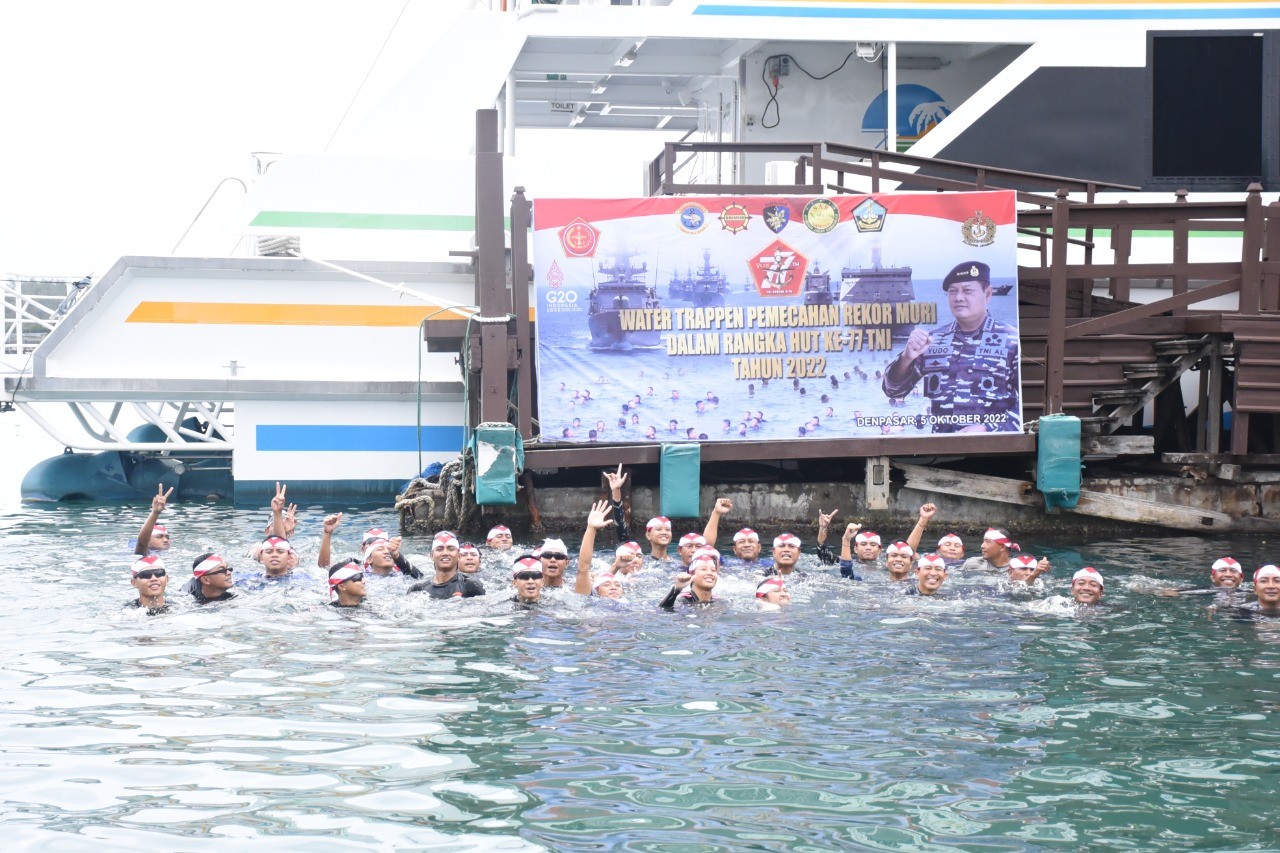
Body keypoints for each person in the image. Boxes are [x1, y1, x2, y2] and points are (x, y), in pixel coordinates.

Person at [882, 260, 1020, 433]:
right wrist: (906, 358)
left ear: (988, 294)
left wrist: (989, 429)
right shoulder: (933, 340)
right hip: (941, 451)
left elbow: (1026, 403)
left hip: (994, 452)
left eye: (967, 291)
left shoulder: (1012, 340)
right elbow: (893, 391)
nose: (958, 297)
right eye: (952, 292)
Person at [406, 532, 485, 599]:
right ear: (431, 556)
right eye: (439, 549)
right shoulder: (418, 589)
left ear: (459, 556)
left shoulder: (471, 585)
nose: (445, 553)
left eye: (451, 549)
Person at [961, 528, 1051, 578]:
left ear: (1002, 547)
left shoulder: (1022, 567)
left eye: (987, 542)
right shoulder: (971, 564)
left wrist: (1039, 571)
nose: (982, 546)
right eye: (983, 541)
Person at [134, 484, 174, 555]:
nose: (165, 540)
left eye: (167, 537)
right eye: (159, 537)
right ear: (148, 541)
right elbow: (142, 542)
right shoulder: (143, 552)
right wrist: (155, 513)